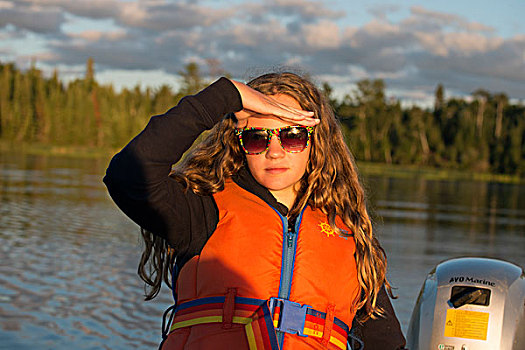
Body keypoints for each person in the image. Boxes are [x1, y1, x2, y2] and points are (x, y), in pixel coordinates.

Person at [103, 71, 406, 349]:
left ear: (317, 142)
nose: (275, 151)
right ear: (239, 141)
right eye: (256, 138)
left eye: (293, 136)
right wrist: (228, 96)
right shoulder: (202, 211)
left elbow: (387, 344)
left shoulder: (352, 240)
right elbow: (127, 175)